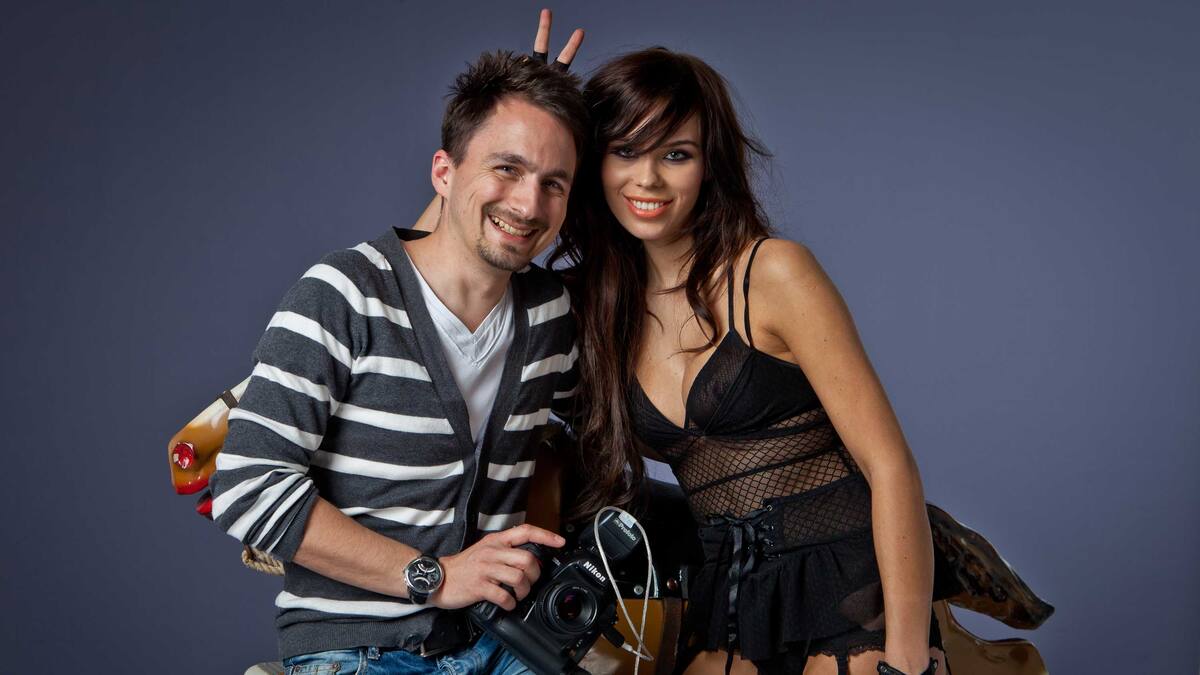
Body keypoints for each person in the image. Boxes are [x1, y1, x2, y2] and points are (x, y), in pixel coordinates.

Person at [552, 49, 949, 675]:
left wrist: (906, 662)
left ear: (709, 165)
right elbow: (441, 271)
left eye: (676, 154)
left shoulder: (772, 273)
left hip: (850, 589)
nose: (648, 179)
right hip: (730, 601)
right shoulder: (594, 312)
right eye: (625, 150)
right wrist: (523, 105)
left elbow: (890, 466)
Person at [208, 44, 588, 673]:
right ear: (443, 172)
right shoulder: (343, 294)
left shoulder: (549, 315)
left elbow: (609, 424)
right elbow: (248, 487)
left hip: (502, 643)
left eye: (554, 183)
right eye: (506, 167)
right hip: (357, 650)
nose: (528, 205)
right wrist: (434, 577)